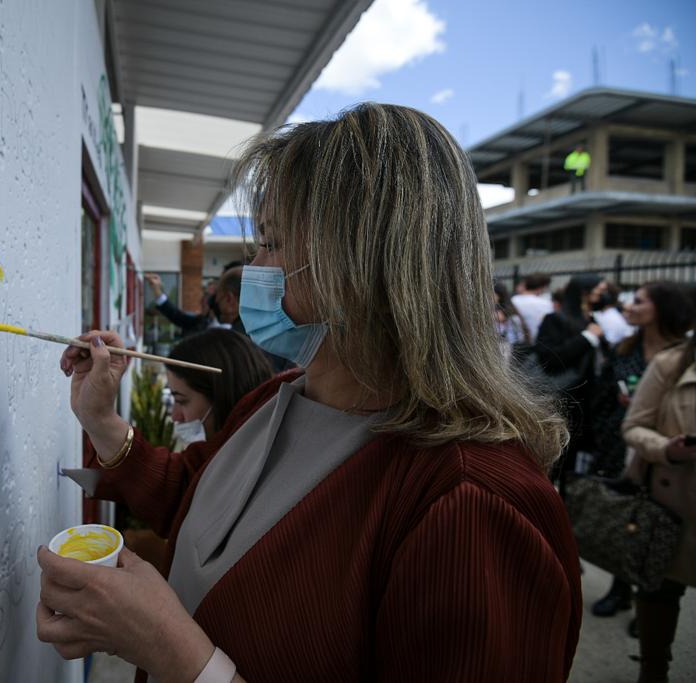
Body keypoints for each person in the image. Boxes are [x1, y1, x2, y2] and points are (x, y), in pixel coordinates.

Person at [37, 104, 581, 681]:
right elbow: (194, 502)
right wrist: (98, 415)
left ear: (366, 266)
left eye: (270, 243)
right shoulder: (282, 395)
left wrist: (173, 652)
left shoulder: (472, 503)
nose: (253, 270)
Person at [587, 282, 695, 620]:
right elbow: (599, 400)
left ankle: (644, 603)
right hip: (616, 444)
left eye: (638, 301)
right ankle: (621, 590)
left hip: (661, 461)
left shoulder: (682, 357)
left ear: (663, 308)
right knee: (628, 521)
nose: (629, 307)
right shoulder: (623, 350)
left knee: (657, 533)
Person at [125, 328, 275, 567]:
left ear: (222, 395)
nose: (175, 416)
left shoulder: (254, 472)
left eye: (181, 400)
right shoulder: (229, 453)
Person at [622, 335, 696, 683]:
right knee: (660, 593)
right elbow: (633, 426)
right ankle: (653, 669)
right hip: (672, 507)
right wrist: (668, 449)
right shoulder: (673, 364)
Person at [534, 275, 611, 484]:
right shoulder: (555, 319)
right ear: (583, 292)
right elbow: (550, 359)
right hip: (563, 400)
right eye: (597, 291)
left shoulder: (592, 320)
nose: (601, 295)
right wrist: (587, 338)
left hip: (588, 403)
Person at [145, 273, 223, 337]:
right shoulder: (202, 320)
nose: (202, 301)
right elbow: (176, 315)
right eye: (204, 295)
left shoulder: (221, 334)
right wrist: (156, 288)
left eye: (207, 296)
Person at [512, 272, 554, 341]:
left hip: (516, 345)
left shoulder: (513, 300)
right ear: (542, 287)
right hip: (540, 344)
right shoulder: (548, 304)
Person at [494, 281, 530, 360]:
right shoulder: (509, 306)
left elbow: (500, 317)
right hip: (506, 343)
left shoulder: (505, 309)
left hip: (506, 343)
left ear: (499, 294)